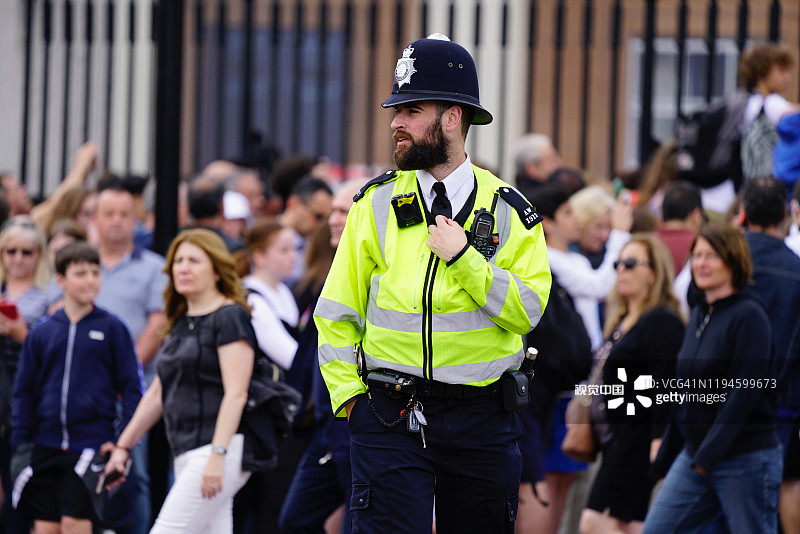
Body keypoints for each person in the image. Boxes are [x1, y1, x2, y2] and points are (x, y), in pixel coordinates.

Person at [314, 34, 551, 533]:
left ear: (452, 118)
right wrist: (352, 402)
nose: (395, 123)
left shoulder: (511, 211)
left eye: (411, 110)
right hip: (389, 415)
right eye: (396, 110)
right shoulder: (373, 204)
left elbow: (526, 311)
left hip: (483, 419)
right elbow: (336, 313)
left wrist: (464, 259)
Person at [104, 229, 256, 533]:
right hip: (186, 451)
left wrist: (218, 455)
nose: (183, 268)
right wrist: (123, 446)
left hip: (219, 449)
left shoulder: (228, 316)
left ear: (216, 271)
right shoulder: (180, 321)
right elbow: (158, 392)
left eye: (194, 261)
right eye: (178, 261)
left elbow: (236, 393)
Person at [643, 224, 781, 534]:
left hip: (745, 457)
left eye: (711, 256)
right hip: (696, 454)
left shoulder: (750, 316)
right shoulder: (700, 313)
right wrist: (666, 456)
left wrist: (706, 458)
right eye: (697, 255)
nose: (701, 264)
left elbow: (742, 395)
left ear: (733, 260)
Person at [10, 242, 142, 534]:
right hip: (43, 445)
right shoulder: (43, 331)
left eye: (95, 272)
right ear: (61, 280)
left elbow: (133, 388)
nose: (90, 280)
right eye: (80, 273)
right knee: (45, 527)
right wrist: (21, 441)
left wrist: (122, 440)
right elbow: (24, 390)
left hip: (90, 446)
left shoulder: (112, 328)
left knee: (75, 524)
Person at [579, 235, 685, 534]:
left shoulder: (662, 322)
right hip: (615, 440)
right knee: (618, 524)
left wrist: (658, 442)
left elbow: (666, 387)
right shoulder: (622, 319)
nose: (621, 270)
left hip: (639, 441)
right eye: (617, 264)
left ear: (653, 272)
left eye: (630, 263)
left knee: (601, 522)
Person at [279, 179, 365, 534]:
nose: (332, 220)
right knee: (294, 520)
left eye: (343, 211)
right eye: (332, 211)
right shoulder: (330, 268)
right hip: (326, 427)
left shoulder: (378, 273)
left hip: (357, 424)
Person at [92, 185, 168, 534]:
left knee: (133, 474)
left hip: (133, 389)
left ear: (136, 220)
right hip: (85, 389)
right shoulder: (83, 264)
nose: (117, 221)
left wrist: (121, 375)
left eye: (125, 214)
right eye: (109, 213)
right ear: (95, 219)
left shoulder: (154, 268)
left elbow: (157, 327)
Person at [738, 177, 800, 534]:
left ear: (743, 212)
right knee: (785, 483)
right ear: (786, 214)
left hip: (722, 397)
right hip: (782, 403)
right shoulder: (795, 269)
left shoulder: (721, 262)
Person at [0, 217, 62, 534]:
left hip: (30, 398)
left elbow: (57, 352)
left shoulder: (51, 293)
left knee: (23, 481)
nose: (18, 259)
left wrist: (21, 333)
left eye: (27, 252)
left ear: (39, 254)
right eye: (11, 251)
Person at [243, 219, 299, 371]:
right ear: (260, 256)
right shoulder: (253, 300)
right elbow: (291, 358)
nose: (294, 256)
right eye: (284, 250)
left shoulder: (283, 290)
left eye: (294, 249)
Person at [279, 177, 333, 287]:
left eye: (326, 220)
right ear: (293, 204)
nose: (322, 226)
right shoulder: (265, 238)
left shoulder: (314, 247)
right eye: (318, 217)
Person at [569, 185, 617, 269]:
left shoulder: (609, 251)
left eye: (609, 227)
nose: (605, 235)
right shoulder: (563, 256)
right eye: (599, 226)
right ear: (580, 222)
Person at [513, 133, 563, 202]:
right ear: (532, 168)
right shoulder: (546, 201)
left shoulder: (514, 197)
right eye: (551, 159)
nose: (559, 163)